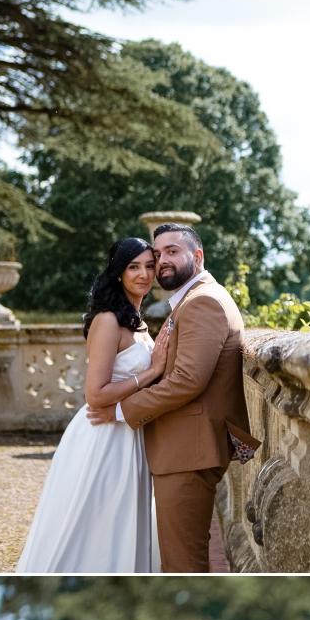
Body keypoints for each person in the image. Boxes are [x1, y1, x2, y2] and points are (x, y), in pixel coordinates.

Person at [91, 222, 252, 576]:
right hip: (182, 450)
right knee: (183, 561)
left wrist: (120, 410)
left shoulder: (203, 302)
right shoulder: (192, 300)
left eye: (172, 252)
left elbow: (186, 381)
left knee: (182, 566)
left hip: (187, 453)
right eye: (158, 253)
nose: (161, 261)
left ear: (197, 256)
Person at [17, 236, 165, 573]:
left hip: (131, 431)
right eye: (133, 267)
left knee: (127, 518)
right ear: (118, 273)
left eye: (149, 266)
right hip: (104, 435)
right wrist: (154, 370)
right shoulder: (108, 320)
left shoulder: (137, 321)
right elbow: (95, 394)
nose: (143, 274)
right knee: (99, 517)